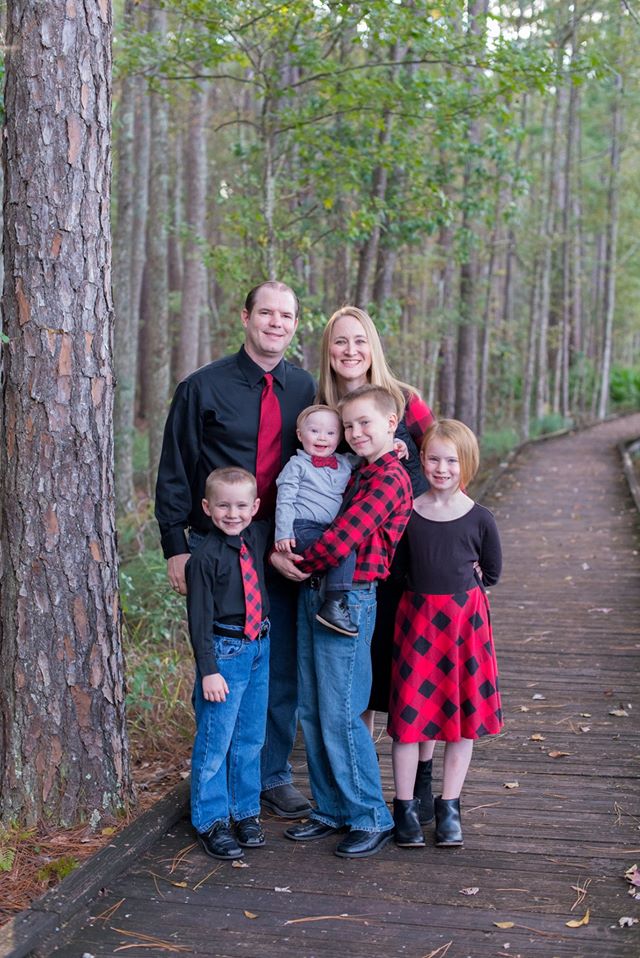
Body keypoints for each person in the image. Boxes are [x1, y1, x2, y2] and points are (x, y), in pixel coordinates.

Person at [155, 281, 316, 819]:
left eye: (286, 315)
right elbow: (175, 469)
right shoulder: (203, 387)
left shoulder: (305, 388)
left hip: (282, 543)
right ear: (246, 317)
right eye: (266, 312)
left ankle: (270, 775)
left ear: (295, 324)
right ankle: (216, 785)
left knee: (280, 664)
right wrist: (176, 545)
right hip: (218, 545)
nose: (276, 323)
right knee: (223, 663)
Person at [271, 385, 413, 859]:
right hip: (314, 591)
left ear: (391, 424)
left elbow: (342, 537)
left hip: (349, 598)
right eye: (348, 426)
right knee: (312, 708)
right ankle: (331, 808)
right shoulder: (359, 469)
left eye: (364, 423)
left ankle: (370, 815)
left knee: (341, 711)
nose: (354, 433)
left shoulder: (389, 478)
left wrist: (290, 560)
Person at [315, 306, 434, 731]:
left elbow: (445, 460)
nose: (351, 350)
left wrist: (461, 538)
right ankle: (362, 760)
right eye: (340, 341)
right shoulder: (321, 412)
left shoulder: (405, 400)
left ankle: (416, 768)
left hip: (412, 552)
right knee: (360, 670)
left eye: (360, 340)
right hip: (354, 561)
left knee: (411, 664)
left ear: (373, 347)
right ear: (329, 351)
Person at [387, 420, 503, 849]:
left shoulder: (480, 518)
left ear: (466, 463)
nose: (441, 468)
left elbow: (492, 571)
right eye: (433, 459)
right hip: (417, 622)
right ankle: (404, 808)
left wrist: (466, 582)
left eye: (451, 461)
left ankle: (449, 806)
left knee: (460, 724)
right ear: (421, 460)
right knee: (409, 721)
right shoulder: (409, 513)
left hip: (463, 627)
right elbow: (397, 570)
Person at [186, 468, 271, 861]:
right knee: (215, 740)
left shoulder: (255, 537)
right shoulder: (203, 559)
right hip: (225, 652)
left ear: (254, 507)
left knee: (250, 736)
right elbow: (198, 619)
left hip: (260, 646)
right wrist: (209, 670)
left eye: (241, 506)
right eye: (223, 506)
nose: (232, 514)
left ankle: (245, 811)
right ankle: (211, 820)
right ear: (207, 507)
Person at [275, 404, 358, 636]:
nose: (322, 437)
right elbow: (285, 500)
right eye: (314, 431)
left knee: (343, 546)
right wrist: (283, 533)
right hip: (301, 528)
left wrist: (396, 444)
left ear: (339, 438)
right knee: (343, 549)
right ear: (300, 435)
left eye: (330, 433)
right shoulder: (297, 465)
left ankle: (331, 602)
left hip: (327, 529)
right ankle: (334, 604)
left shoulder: (345, 462)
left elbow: (372, 455)